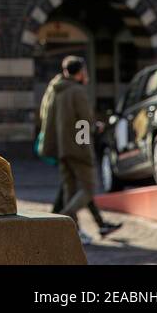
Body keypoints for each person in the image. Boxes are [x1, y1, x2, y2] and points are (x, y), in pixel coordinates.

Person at [40, 55, 121, 243]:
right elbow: (83, 122)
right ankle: (64, 219)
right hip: (77, 148)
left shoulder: (57, 89)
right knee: (89, 189)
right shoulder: (77, 91)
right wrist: (86, 145)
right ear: (80, 72)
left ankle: (73, 231)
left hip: (62, 148)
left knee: (70, 190)